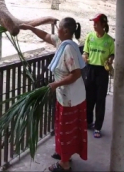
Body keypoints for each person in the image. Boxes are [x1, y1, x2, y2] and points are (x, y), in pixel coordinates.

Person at [20, 17, 87, 172]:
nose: (56, 30)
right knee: (64, 128)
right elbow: (45, 36)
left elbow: (76, 74)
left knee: (66, 130)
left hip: (70, 98)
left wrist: (56, 84)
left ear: (65, 31)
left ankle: (64, 165)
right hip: (66, 96)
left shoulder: (69, 48)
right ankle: (65, 155)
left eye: (59, 28)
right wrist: (30, 28)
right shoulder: (63, 43)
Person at [82, 13, 114, 139]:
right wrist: (85, 56)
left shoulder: (109, 40)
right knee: (88, 98)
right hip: (90, 70)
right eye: (93, 23)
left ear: (103, 24)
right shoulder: (90, 36)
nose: (94, 25)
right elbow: (85, 52)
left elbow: (112, 55)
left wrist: (110, 60)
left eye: (96, 23)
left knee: (100, 100)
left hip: (102, 71)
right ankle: (88, 121)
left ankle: (98, 127)